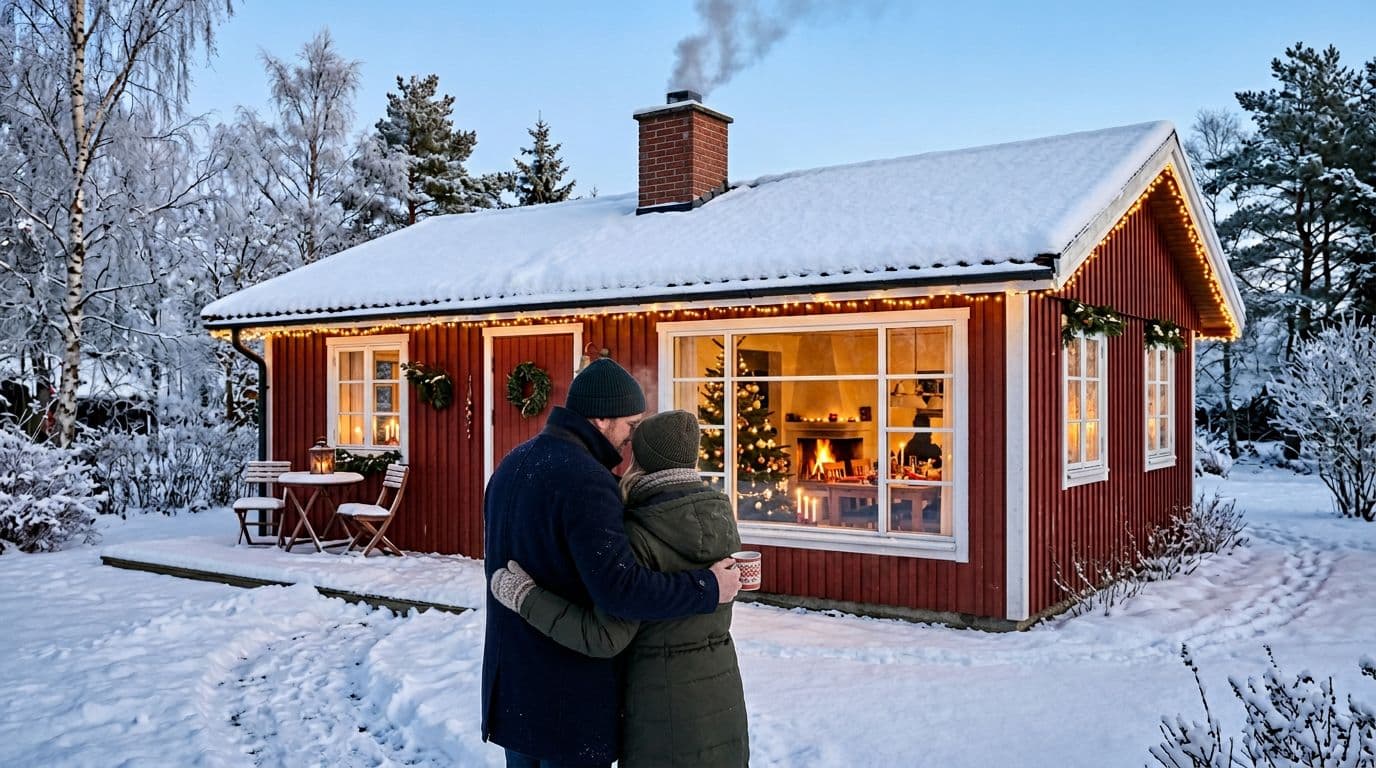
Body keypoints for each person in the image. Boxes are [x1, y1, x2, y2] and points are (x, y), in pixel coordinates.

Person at [481, 359, 741, 768]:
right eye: (631, 424)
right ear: (602, 418)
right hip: (568, 702)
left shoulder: (512, 464)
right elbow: (621, 590)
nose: (631, 438)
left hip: (514, 688)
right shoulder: (587, 480)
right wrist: (707, 588)